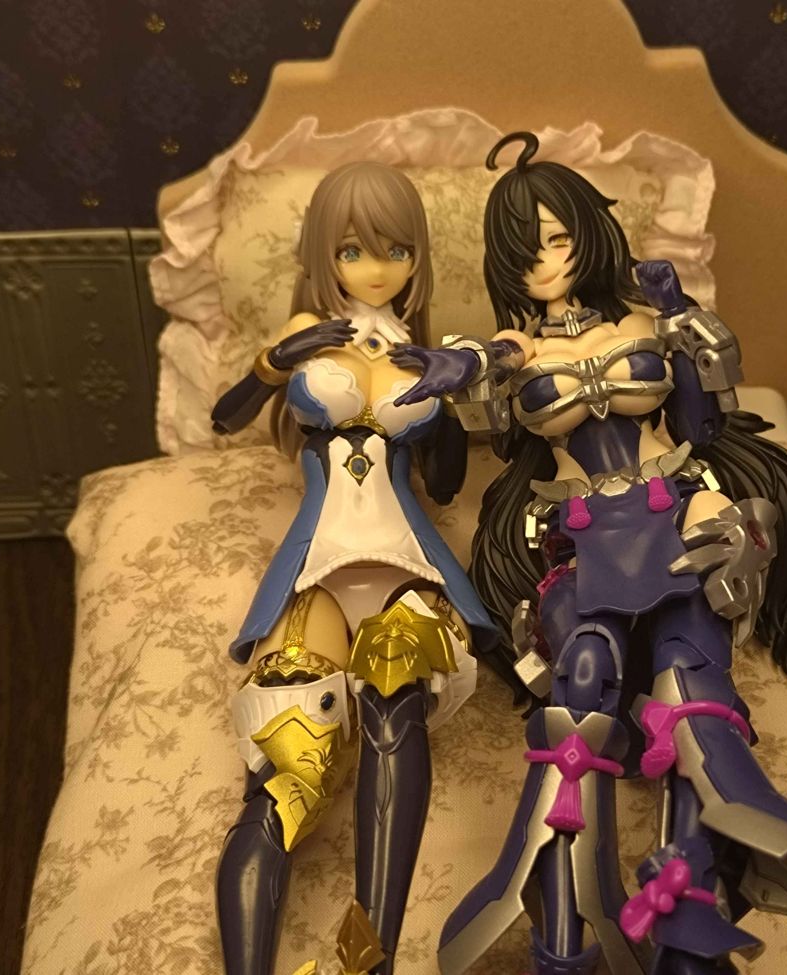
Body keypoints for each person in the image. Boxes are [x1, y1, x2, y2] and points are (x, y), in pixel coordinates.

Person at [391, 132, 787, 975]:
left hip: (671, 511)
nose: (544, 260)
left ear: (589, 232)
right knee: (584, 673)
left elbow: (702, 424)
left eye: (558, 236)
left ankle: (688, 903)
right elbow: (489, 369)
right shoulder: (519, 347)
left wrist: (681, 317)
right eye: (524, 248)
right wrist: (460, 364)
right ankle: (565, 929)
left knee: (690, 690)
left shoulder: (644, 322)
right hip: (583, 533)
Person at [208, 161, 494, 975]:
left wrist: (455, 395)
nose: (377, 267)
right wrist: (274, 362)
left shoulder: (423, 349)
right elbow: (226, 418)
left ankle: (375, 957)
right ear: (323, 254)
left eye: (397, 250)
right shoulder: (306, 330)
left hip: (402, 556)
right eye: (354, 249)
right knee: (290, 764)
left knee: (396, 701)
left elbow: (445, 484)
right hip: (317, 559)